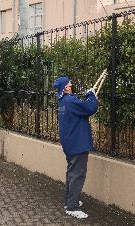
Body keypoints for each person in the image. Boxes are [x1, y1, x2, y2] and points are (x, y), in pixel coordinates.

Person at [53, 76, 98, 219]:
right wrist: (91, 95)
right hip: (77, 143)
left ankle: (69, 201)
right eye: (69, 83)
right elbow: (90, 108)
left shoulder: (63, 101)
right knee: (77, 174)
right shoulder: (70, 101)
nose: (71, 84)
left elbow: (80, 106)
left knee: (72, 173)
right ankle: (72, 207)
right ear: (66, 87)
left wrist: (88, 95)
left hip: (70, 143)